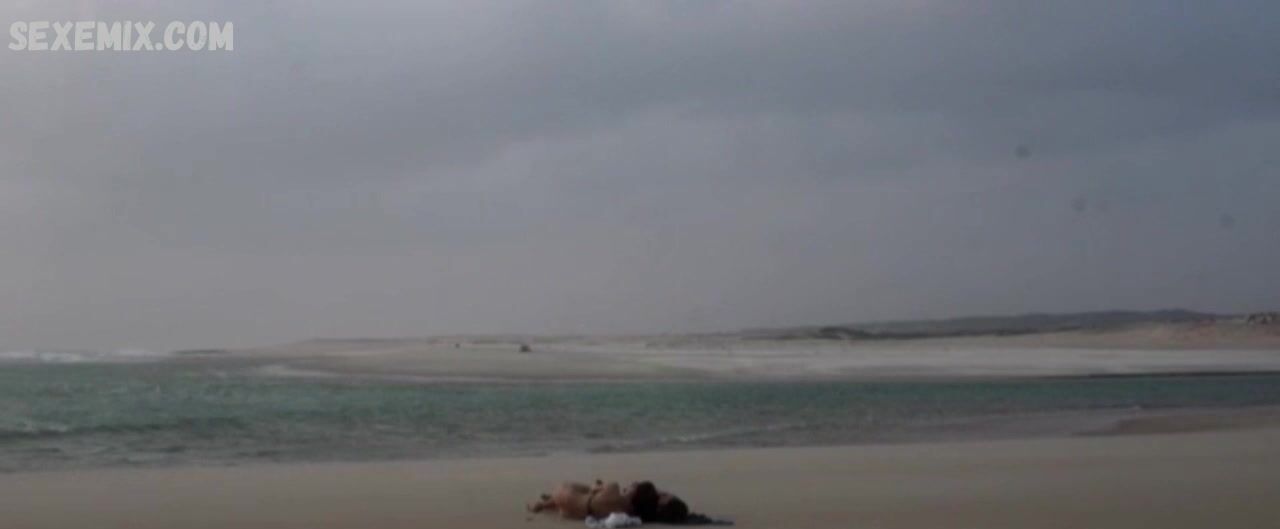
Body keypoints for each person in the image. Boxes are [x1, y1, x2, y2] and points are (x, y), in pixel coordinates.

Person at [527, 480, 692, 523]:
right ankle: (545, 503)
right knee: (589, 498)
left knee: (589, 488)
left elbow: (596, 489)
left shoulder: (615, 488)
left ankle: (545, 502)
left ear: (634, 491)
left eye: (633, 485)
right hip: (570, 513)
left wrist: (598, 486)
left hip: (564, 494)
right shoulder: (626, 512)